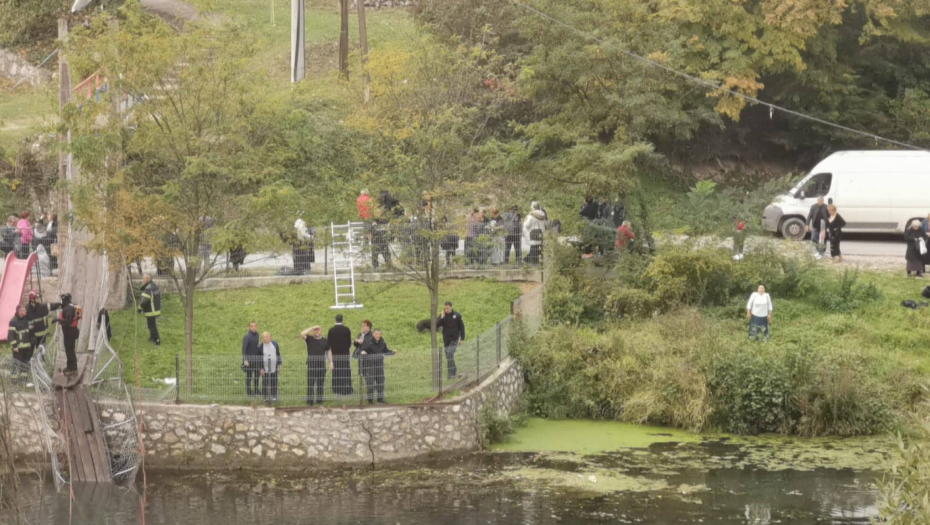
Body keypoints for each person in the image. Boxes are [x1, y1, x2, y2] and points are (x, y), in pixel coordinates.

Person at [353, 328, 395, 404]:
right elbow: (362, 350)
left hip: (379, 365)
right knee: (370, 383)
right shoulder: (368, 342)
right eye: (377, 334)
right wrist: (362, 352)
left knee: (380, 381)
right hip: (370, 366)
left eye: (380, 334)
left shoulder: (382, 342)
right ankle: (370, 400)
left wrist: (392, 352)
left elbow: (386, 351)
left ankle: (380, 398)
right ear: (373, 334)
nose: (379, 335)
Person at [301, 326, 332, 406]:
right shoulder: (309, 339)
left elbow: (329, 351)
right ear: (313, 331)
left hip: (321, 364)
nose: (317, 331)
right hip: (311, 364)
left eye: (318, 330)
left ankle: (319, 400)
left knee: (320, 383)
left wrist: (330, 362)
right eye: (315, 330)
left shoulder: (325, 340)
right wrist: (312, 327)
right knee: (310, 383)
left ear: (321, 331)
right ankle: (310, 401)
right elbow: (302, 333)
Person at [435, 302, 465, 380]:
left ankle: (451, 374)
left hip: (455, 339)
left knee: (450, 354)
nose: (446, 309)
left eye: (447, 308)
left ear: (451, 307)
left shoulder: (457, 316)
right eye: (445, 308)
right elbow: (437, 325)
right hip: (446, 339)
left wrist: (462, 339)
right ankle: (454, 370)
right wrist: (441, 317)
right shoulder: (443, 316)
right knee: (448, 356)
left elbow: (462, 327)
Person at [53, 293, 81, 375]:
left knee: (70, 351)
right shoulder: (73, 306)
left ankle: (73, 369)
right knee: (69, 350)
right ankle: (69, 367)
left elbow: (68, 321)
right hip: (73, 331)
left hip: (70, 332)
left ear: (63, 300)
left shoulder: (67, 309)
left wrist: (58, 319)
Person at [327, 314, 354, 396]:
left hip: (335, 354)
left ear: (335, 320)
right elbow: (349, 343)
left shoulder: (331, 330)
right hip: (345, 354)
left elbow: (329, 343)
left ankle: (336, 389)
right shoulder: (346, 330)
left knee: (336, 371)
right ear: (342, 320)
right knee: (346, 371)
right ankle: (347, 388)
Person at [8, 305, 32, 384]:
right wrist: (14, 346)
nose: (25, 311)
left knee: (25, 364)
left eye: (25, 310)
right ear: (19, 312)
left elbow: (26, 331)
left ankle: (23, 380)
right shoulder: (13, 321)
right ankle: (14, 380)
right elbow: (10, 335)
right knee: (16, 363)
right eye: (23, 310)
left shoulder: (25, 320)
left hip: (26, 347)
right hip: (18, 347)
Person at [259, 332, 282, 403]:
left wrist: (280, 363)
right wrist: (261, 368)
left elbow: (278, 354)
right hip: (265, 369)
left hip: (274, 367)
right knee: (265, 383)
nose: (265, 338)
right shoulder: (260, 346)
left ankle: (274, 397)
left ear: (270, 337)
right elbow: (259, 359)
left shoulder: (274, 344)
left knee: (274, 382)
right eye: (264, 337)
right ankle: (265, 398)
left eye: (267, 336)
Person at [139, 274, 162, 345]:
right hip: (156, 309)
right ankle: (152, 338)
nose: (142, 280)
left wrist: (140, 308)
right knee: (151, 325)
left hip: (151, 310)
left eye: (144, 279)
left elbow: (144, 300)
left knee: (152, 326)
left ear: (147, 279)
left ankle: (157, 340)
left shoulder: (148, 288)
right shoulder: (154, 286)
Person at [242, 321, 262, 397]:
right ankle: (249, 392)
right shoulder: (247, 337)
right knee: (249, 376)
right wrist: (245, 360)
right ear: (249, 327)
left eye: (255, 326)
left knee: (257, 375)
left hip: (256, 359)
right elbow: (244, 349)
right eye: (252, 326)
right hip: (249, 360)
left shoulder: (257, 335)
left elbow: (257, 346)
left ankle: (256, 389)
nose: (253, 327)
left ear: (256, 327)